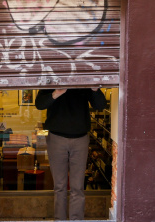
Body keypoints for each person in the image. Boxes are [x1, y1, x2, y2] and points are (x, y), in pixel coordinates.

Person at [35, 88, 107, 220]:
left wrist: (95, 89)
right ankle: (60, 220)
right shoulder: (53, 78)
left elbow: (101, 105)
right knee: (59, 186)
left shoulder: (83, 80)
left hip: (80, 139)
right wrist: (55, 93)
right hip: (56, 138)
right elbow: (39, 104)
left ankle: (76, 220)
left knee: (77, 187)